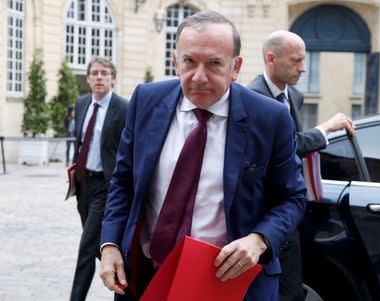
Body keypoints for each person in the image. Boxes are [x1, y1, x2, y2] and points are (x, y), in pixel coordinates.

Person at [99, 11, 308, 301]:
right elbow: (123, 181)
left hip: (229, 281)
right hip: (147, 276)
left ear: (235, 67)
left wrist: (259, 240)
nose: (199, 77)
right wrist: (109, 243)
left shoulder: (270, 118)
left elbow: (293, 198)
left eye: (214, 64)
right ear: (176, 62)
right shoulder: (146, 102)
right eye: (189, 62)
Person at [248, 30, 356, 301]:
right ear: (271, 58)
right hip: (261, 214)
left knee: (292, 291)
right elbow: (286, 147)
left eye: (303, 60)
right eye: (295, 61)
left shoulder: (294, 96)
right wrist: (326, 129)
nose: (303, 68)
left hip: (291, 212)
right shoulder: (252, 98)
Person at [70, 57, 128, 301]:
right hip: (84, 183)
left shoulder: (122, 108)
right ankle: (124, 276)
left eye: (104, 73)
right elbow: (80, 142)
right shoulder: (82, 103)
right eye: (94, 73)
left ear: (113, 77)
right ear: (88, 78)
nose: (99, 77)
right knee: (94, 244)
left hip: (107, 186)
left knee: (85, 247)